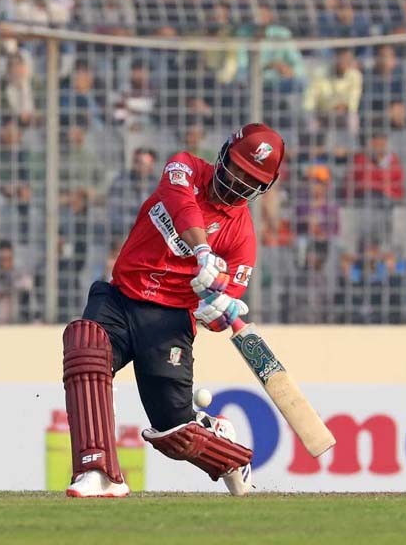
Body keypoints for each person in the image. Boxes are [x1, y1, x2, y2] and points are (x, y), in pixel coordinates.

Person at [61, 122, 285, 497]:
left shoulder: (242, 238)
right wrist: (202, 252)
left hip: (169, 321)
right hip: (121, 295)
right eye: (237, 169)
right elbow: (183, 209)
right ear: (223, 156)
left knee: (174, 430)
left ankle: (228, 453)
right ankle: (98, 470)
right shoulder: (184, 168)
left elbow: (223, 305)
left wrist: (214, 306)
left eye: (252, 180)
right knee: (86, 345)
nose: (239, 184)